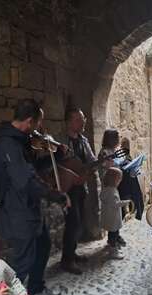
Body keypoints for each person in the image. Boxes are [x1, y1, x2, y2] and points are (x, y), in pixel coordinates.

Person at [0, 99, 67, 295]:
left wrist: (57, 157)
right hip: (17, 211)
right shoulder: (8, 145)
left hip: (29, 208)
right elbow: (25, 182)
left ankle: (35, 288)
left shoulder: (21, 141)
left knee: (43, 245)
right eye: (37, 124)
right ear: (28, 121)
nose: (39, 129)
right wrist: (55, 195)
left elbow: (33, 170)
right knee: (22, 261)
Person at [56, 108, 98, 275]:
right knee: (73, 222)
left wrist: (97, 164)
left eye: (83, 120)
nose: (83, 123)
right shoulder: (61, 140)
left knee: (78, 223)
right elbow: (56, 164)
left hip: (80, 187)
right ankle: (67, 260)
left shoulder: (83, 140)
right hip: (67, 188)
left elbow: (91, 160)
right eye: (79, 120)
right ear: (69, 121)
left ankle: (71, 253)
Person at [100, 167, 131, 260]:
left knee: (112, 232)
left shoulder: (106, 189)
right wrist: (125, 202)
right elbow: (115, 204)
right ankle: (113, 251)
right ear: (114, 180)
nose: (120, 181)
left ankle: (111, 245)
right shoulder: (112, 191)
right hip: (113, 217)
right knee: (114, 233)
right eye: (119, 179)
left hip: (109, 216)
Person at [118, 137, 144, 221]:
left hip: (129, 180)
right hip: (125, 181)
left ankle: (129, 212)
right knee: (127, 196)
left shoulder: (128, 156)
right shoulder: (119, 156)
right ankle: (127, 212)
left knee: (131, 196)